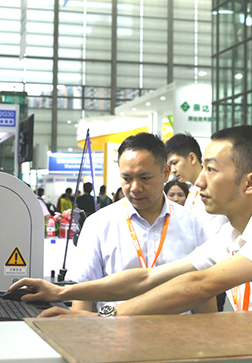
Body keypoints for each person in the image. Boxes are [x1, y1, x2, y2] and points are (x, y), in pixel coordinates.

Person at [12, 126, 252, 330]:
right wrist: (61, 292)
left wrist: (103, 317)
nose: (198, 182)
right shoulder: (230, 235)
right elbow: (148, 277)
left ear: (250, 183)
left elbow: (199, 285)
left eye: (211, 170)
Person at [58, 132, 210, 314]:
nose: (135, 188)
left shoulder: (193, 225)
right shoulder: (98, 225)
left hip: (177, 330)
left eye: (145, 178)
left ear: (165, 173)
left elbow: (205, 298)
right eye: (127, 178)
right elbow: (83, 299)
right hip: (113, 329)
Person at [165, 133, 229, 235]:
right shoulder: (192, 192)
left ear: (192, 158)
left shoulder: (213, 189)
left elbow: (216, 231)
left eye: (175, 163)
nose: (173, 170)